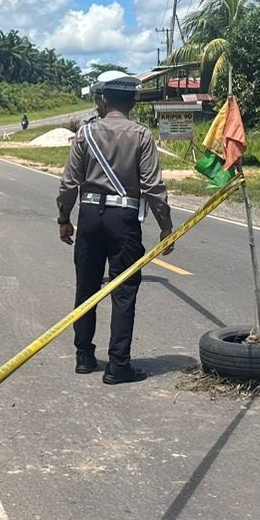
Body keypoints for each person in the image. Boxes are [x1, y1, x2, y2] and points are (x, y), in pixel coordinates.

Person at [56, 71, 173, 384]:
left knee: (87, 287)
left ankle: (84, 356)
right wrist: (166, 227)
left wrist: (64, 218)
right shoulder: (141, 135)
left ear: (103, 99)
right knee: (124, 292)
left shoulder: (86, 133)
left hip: (90, 217)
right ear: (133, 101)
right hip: (125, 221)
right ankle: (118, 365)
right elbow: (153, 187)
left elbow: (69, 183)